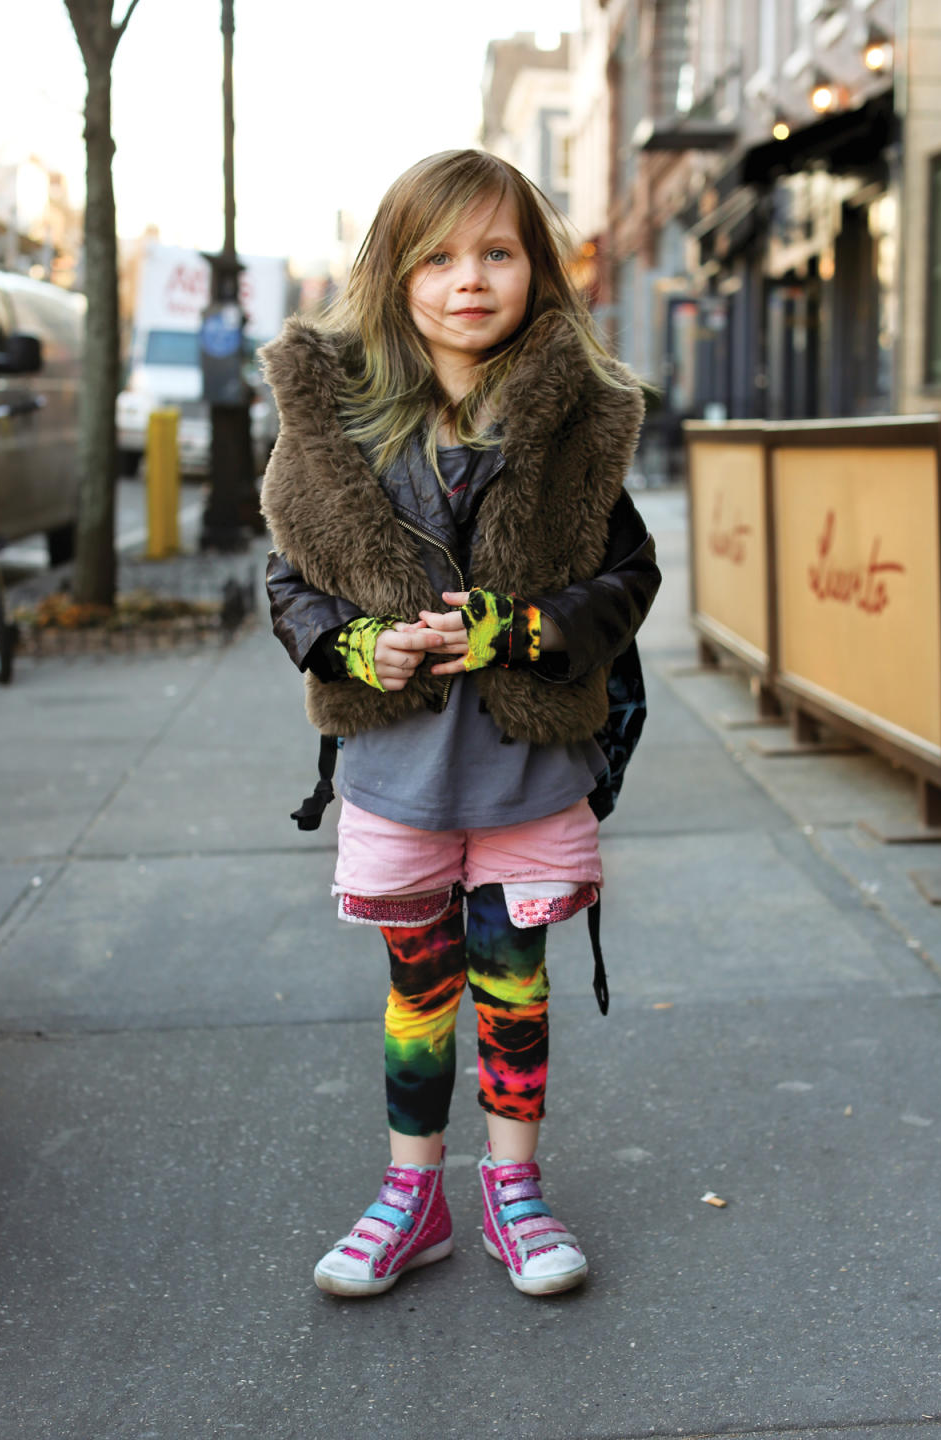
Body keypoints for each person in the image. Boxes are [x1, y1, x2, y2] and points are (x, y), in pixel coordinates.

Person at [260, 149, 661, 1299]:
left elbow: (629, 579)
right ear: (392, 273)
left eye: (497, 252)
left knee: (513, 983)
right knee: (419, 987)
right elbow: (287, 584)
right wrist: (354, 645)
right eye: (436, 256)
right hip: (400, 772)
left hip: (529, 775)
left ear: (538, 268)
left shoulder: (580, 423)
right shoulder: (342, 427)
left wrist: (522, 629)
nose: (467, 279)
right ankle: (411, 1196)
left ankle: (514, 1190)